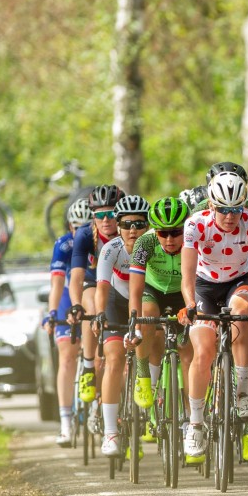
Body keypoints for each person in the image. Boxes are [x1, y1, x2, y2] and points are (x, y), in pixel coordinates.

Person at [177, 172, 248, 461]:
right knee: (204, 350)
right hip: (204, 285)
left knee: (242, 314)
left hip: (239, 279)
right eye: (223, 209)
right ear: (211, 205)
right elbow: (187, 274)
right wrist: (191, 304)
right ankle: (195, 424)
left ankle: (243, 393)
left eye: (236, 209)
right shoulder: (196, 224)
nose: (230, 216)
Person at [126, 196, 193, 439]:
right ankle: (144, 375)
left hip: (183, 294)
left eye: (176, 232)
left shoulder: (193, 240)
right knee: (146, 316)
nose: (170, 239)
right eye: (163, 233)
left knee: (187, 350)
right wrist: (133, 324)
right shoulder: (145, 243)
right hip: (152, 291)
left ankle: (189, 415)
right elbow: (134, 290)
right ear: (155, 231)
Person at [92, 195, 150, 457]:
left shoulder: (154, 246)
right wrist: (99, 314)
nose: (133, 231)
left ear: (148, 226)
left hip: (147, 300)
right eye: (126, 225)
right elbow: (101, 287)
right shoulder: (111, 249)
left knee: (153, 346)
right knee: (114, 359)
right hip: (117, 302)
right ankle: (110, 432)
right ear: (118, 226)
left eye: (139, 224)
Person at [68, 184, 125, 431]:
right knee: (90, 302)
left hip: (123, 284)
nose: (105, 220)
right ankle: (89, 366)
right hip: (94, 282)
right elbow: (77, 279)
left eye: (110, 214)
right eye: (99, 215)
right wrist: (76, 306)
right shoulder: (84, 235)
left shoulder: (130, 231)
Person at [45, 198, 92, 447]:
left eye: (85, 225)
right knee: (66, 356)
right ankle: (65, 421)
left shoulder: (99, 239)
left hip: (93, 291)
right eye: (75, 227)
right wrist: (52, 313)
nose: (80, 231)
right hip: (67, 296)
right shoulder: (64, 244)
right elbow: (56, 284)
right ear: (69, 226)